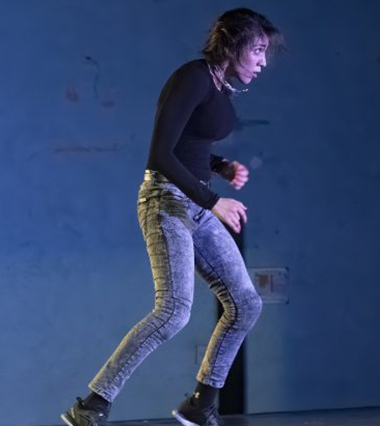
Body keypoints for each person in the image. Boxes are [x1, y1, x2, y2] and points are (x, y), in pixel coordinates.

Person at [60, 8, 283, 426]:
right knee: (174, 310)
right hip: (165, 202)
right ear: (233, 44)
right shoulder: (192, 78)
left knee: (245, 304)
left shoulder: (219, 87)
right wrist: (214, 200)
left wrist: (219, 166)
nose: (262, 61)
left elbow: (188, 145)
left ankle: (201, 404)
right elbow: (160, 154)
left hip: (194, 202)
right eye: (257, 50)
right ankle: (92, 404)